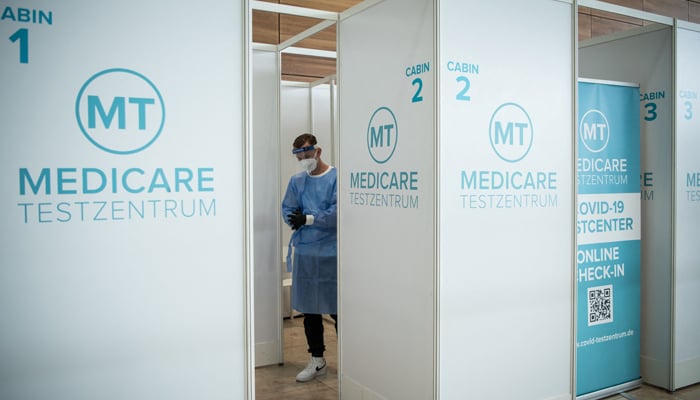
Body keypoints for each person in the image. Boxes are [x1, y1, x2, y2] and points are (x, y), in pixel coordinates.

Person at [281, 133, 338, 383]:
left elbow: (338, 212)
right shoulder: (297, 181)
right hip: (305, 252)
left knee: (339, 309)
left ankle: (351, 360)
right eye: (298, 156)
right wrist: (296, 217)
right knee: (309, 310)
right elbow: (289, 209)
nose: (303, 160)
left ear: (318, 151)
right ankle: (317, 360)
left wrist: (311, 218)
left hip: (331, 253)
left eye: (306, 154)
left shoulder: (337, 178)